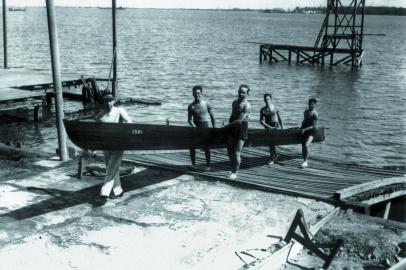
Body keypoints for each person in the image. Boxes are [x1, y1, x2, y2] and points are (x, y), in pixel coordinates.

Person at [93, 92, 132, 207]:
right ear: (103, 102)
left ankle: (103, 195)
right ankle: (118, 191)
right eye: (106, 100)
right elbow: (95, 133)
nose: (108, 102)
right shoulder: (99, 116)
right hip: (105, 146)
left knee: (110, 169)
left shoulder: (119, 111)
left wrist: (124, 133)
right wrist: (93, 147)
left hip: (118, 144)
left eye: (110, 100)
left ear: (114, 101)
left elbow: (129, 123)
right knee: (112, 168)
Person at [223, 84, 251, 180]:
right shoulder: (234, 102)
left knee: (236, 152)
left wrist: (226, 125)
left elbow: (239, 120)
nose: (240, 94)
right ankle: (232, 169)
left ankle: (235, 172)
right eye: (239, 91)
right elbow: (232, 115)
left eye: (243, 92)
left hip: (241, 127)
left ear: (247, 94)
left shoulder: (247, 105)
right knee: (229, 151)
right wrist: (227, 124)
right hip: (232, 126)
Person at [187, 85, 216, 171]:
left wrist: (214, 128)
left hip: (205, 125)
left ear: (201, 93)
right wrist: (194, 127)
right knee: (192, 146)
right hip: (196, 126)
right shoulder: (191, 106)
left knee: (206, 147)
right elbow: (189, 120)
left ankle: (208, 166)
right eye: (195, 93)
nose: (197, 95)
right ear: (193, 94)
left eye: (198, 93)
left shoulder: (206, 104)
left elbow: (212, 117)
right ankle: (193, 165)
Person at [260, 93, 284, 165]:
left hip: (275, 125)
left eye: (268, 99)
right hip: (268, 126)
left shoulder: (275, 107)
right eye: (265, 99)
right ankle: (272, 158)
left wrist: (282, 127)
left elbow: (280, 118)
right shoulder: (263, 110)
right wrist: (269, 127)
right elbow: (261, 121)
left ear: (271, 99)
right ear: (264, 100)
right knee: (270, 143)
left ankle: (274, 157)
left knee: (273, 142)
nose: (267, 100)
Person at [300, 97, 318, 168]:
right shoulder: (306, 111)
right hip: (304, 130)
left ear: (315, 105)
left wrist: (305, 129)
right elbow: (304, 121)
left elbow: (313, 126)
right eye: (310, 104)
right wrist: (301, 128)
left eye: (312, 104)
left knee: (306, 145)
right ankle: (304, 160)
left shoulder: (315, 114)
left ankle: (306, 162)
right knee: (303, 145)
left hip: (312, 131)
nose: (311, 105)